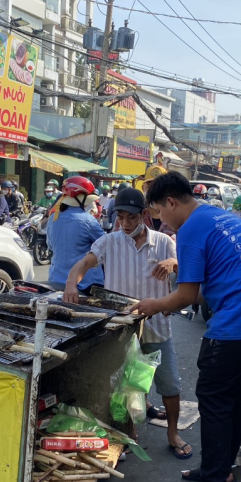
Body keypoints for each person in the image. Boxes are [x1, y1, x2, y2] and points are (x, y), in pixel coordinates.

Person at [132, 172, 241, 482]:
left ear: (171, 202)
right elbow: (205, 288)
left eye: (158, 213)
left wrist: (152, 304)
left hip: (240, 321)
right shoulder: (220, 216)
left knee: (215, 402)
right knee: (232, 400)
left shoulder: (190, 230)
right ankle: (220, 469)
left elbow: (187, 297)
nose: (161, 222)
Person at [63, 187, 190, 457]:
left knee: (169, 384)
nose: (126, 223)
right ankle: (129, 435)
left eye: (131, 217)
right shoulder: (110, 242)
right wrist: (71, 283)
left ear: (144, 215)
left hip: (156, 325)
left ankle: (173, 433)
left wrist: (172, 263)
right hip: (123, 328)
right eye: (120, 217)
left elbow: (186, 266)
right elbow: (84, 263)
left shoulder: (164, 241)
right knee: (125, 385)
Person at [47, 177, 105, 291]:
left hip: (56, 280)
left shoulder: (53, 217)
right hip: (85, 283)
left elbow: (50, 245)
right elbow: (105, 245)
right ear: (80, 197)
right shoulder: (88, 220)